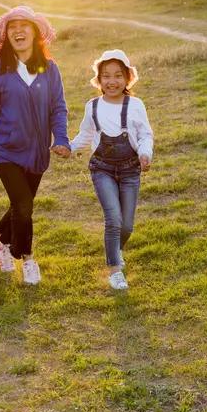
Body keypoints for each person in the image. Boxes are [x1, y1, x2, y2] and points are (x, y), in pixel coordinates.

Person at [0, 6, 70, 285]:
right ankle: (28, 259)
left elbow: (58, 108)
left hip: (37, 152)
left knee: (22, 205)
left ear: (36, 32)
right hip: (5, 150)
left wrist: (61, 139)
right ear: (6, 35)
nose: (18, 31)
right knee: (23, 205)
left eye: (24, 25)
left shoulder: (49, 68)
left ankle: (1, 246)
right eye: (12, 27)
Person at [70, 50, 153, 290]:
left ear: (128, 78)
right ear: (99, 79)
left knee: (127, 225)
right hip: (102, 169)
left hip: (130, 170)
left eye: (118, 75)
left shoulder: (135, 105)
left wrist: (145, 154)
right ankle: (115, 269)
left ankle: (116, 249)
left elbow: (146, 134)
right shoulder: (93, 106)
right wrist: (69, 148)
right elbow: (85, 136)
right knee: (113, 219)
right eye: (106, 76)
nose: (112, 81)